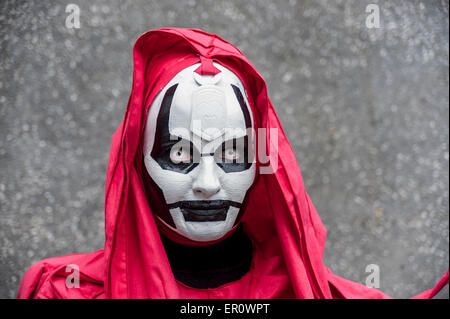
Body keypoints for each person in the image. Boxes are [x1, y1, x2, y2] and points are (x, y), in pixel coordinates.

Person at [17, 28, 448, 299]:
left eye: (232, 155)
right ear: (136, 159)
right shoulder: (62, 291)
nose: (207, 183)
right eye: (179, 153)